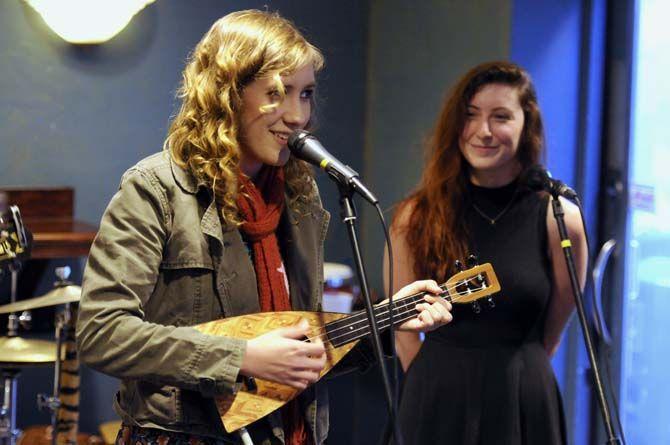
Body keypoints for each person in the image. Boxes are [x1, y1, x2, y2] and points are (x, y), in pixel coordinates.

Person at [76, 9, 452, 445]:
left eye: (306, 93)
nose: (297, 115)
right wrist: (241, 357)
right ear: (227, 94)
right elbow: (101, 332)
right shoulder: (156, 189)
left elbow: (302, 353)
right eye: (278, 92)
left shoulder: (299, 199)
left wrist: (386, 323)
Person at [386, 61, 587, 444]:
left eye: (501, 117)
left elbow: (556, 324)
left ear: (526, 125)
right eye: (471, 116)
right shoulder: (416, 215)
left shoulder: (559, 217)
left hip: (524, 396)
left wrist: (517, 372)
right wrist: (432, 384)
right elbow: (403, 328)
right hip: (437, 397)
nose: (484, 131)